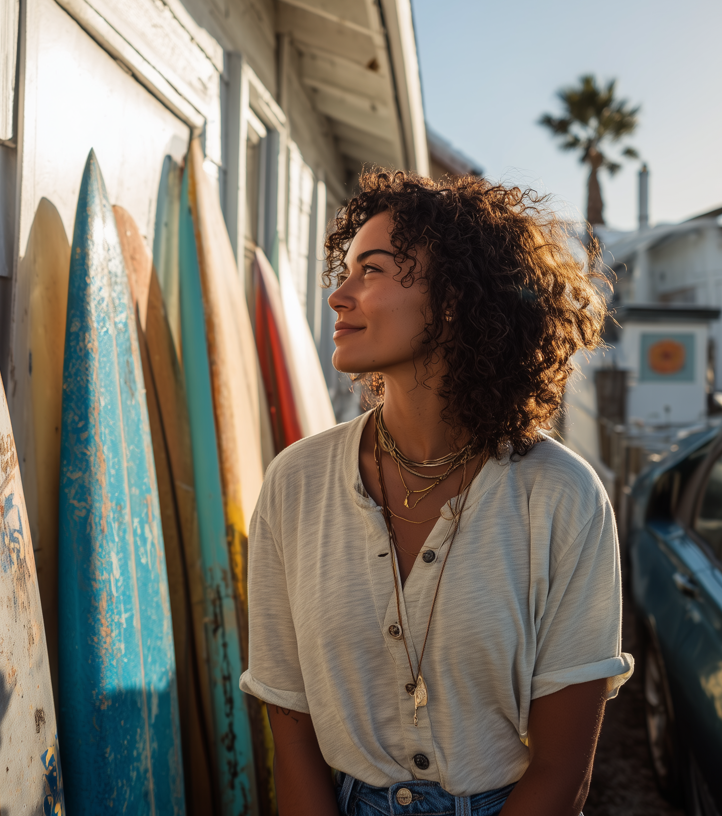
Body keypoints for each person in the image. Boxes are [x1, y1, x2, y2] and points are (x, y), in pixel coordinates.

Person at [239, 170, 632, 816]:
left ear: (454, 300)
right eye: (345, 270)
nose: (338, 295)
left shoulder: (562, 499)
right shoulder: (295, 485)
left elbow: (563, 773)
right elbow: (291, 731)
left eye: (372, 270)